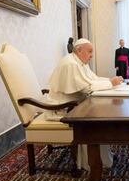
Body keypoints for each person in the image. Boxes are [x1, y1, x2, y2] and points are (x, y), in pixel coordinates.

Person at [48, 38, 124, 171]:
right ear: (79, 50)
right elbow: (86, 88)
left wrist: (111, 80)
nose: (92, 55)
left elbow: (92, 79)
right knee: (97, 116)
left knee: (101, 111)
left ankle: (104, 157)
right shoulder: (70, 64)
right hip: (65, 108)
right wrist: (111, 83)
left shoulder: (80, 62)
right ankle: (94, 161)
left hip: (76, 103)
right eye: (90, 51)